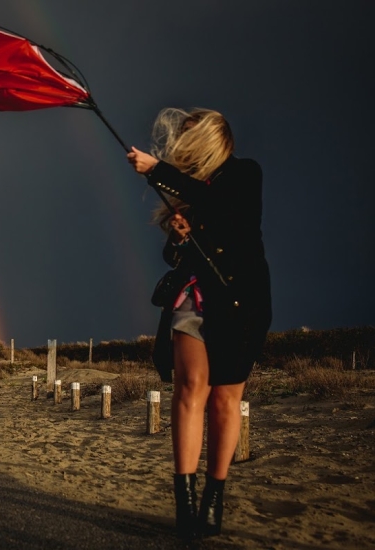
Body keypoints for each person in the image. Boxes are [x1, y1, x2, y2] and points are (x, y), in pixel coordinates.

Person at [127, 108, 272, 539]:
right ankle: (185, 504)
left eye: (189, 135)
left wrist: (157, 172)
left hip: (242, 303)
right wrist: (177, 234)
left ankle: (214, 497)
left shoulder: (245, 174)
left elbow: (225, 207)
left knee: (226, 401)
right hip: (194, 297)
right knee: (191, 388)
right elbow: (175, 258)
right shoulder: (188, 194)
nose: (179, 144)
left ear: (211, 137)